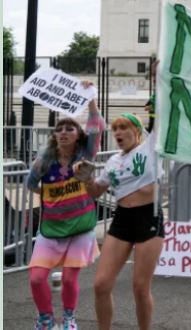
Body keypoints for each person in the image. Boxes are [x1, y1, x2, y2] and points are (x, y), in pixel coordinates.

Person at [75, 113, 163, 330]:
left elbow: (161, 117)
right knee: (101, 285)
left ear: (137, 131)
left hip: (148, 217)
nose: (118, 133)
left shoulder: (151, 148)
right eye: (115, 129)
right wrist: (86, 178)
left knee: (140, 288)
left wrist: (157, 81)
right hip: (122, 219)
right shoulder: (113, 161)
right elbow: (95, 191)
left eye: (124, 127)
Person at [25, 84, 103, 330]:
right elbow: (31, 183)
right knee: (37, 279)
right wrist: (52, 198)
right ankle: (45, 317)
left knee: (69, 280)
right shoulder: (43, 160)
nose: (63, 132)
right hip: (51, 229)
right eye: (59, 129)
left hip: (80, 227)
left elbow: (97, 127)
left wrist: (91, 100)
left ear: (78, 134)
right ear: (54, 136)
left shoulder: (85, 154)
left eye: (70, 128)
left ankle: (69, 317)